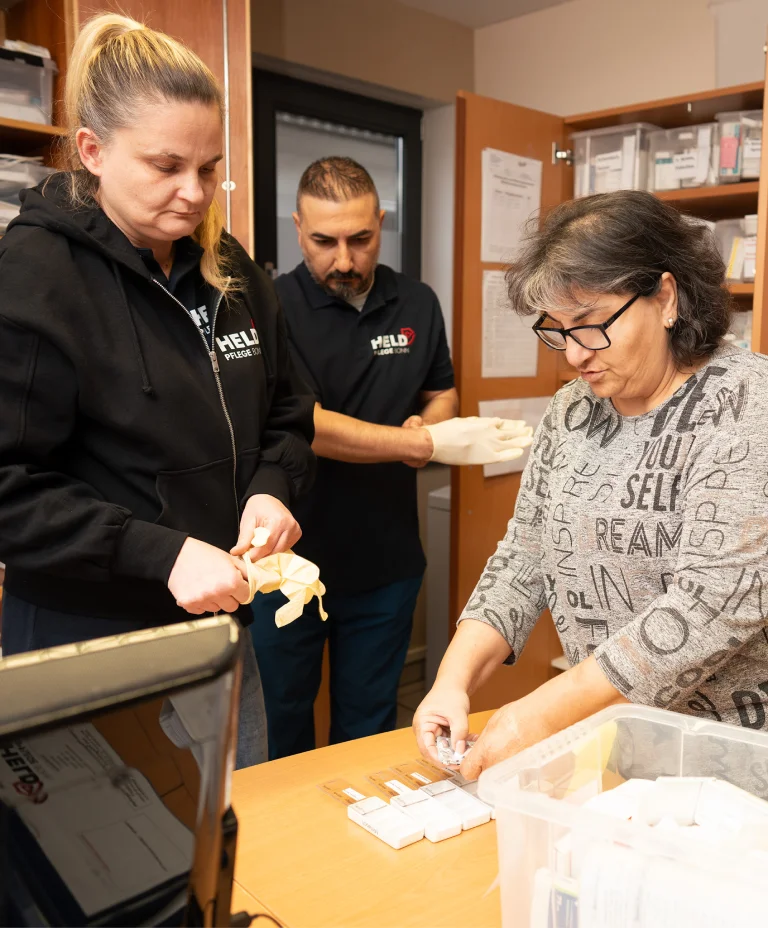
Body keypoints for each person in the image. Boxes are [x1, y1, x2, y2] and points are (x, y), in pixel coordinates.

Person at [0, 14, 315, 769]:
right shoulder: (36, 278)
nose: (194, 193)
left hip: (216, 630)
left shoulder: (226, 267)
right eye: (166, 166)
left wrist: (271, 488)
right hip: (91, 639)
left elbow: (288, 410)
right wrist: (161, 554)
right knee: (109, 837)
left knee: (237, 825)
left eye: (208, 168)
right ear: (92, 151)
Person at [414, 190, 768, 781]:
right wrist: (453, 679)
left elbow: (710, 605)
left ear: (666, 297)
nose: (575, 355)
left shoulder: (747, 404)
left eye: (591, 324)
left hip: (732, 770)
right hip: (618, 752)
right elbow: (526, 554)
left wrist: (540, 713)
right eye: (558, 330)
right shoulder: (572, 411)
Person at [251, 157, 530, 758]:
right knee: (281, 724)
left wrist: (429, 422)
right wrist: (421, 444)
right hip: (285, 564)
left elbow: (441, 392)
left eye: (360, 239)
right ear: (297, 228)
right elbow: (306, 424)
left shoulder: (417, 302)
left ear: (381, 222)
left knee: (369, 724)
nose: (344, 261)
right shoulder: (268, 305)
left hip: (386, 560)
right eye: (324, 242)